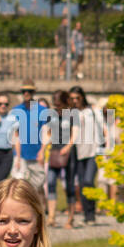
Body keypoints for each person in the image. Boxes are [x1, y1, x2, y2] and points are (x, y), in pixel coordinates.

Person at [67, 86, 104, 225]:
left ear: (82, 97)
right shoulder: (71, 113)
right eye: (72, 98)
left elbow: (103, 128)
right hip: (78, 153)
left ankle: (91, 213)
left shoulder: (93, 111)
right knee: (82, 184)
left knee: (88, 181)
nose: (75, 101)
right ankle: (87, 214)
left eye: (77, 98)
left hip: (93, 152)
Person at [45, 89, 74, 227]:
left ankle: (70, 218)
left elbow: (75, 135)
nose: (56, 107)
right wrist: (43, 149)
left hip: (69, 154)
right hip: (55, 151)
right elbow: (48, 134)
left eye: (58, 105)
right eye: (55, 105)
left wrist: (67, 147)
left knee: (69, 186)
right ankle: (51, 217)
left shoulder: (72, 116)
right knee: (50, 182)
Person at [55, 14, 70, 80]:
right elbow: (56, 37)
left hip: (66, 45)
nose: (67, 21)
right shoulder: (60, 27)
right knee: (64, 59)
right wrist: (58, 46)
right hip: (62, 45)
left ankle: (62, 72)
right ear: (63, 20)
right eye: (66, 20)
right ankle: (62, 73)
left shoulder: (67, 28)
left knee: (65, 59)